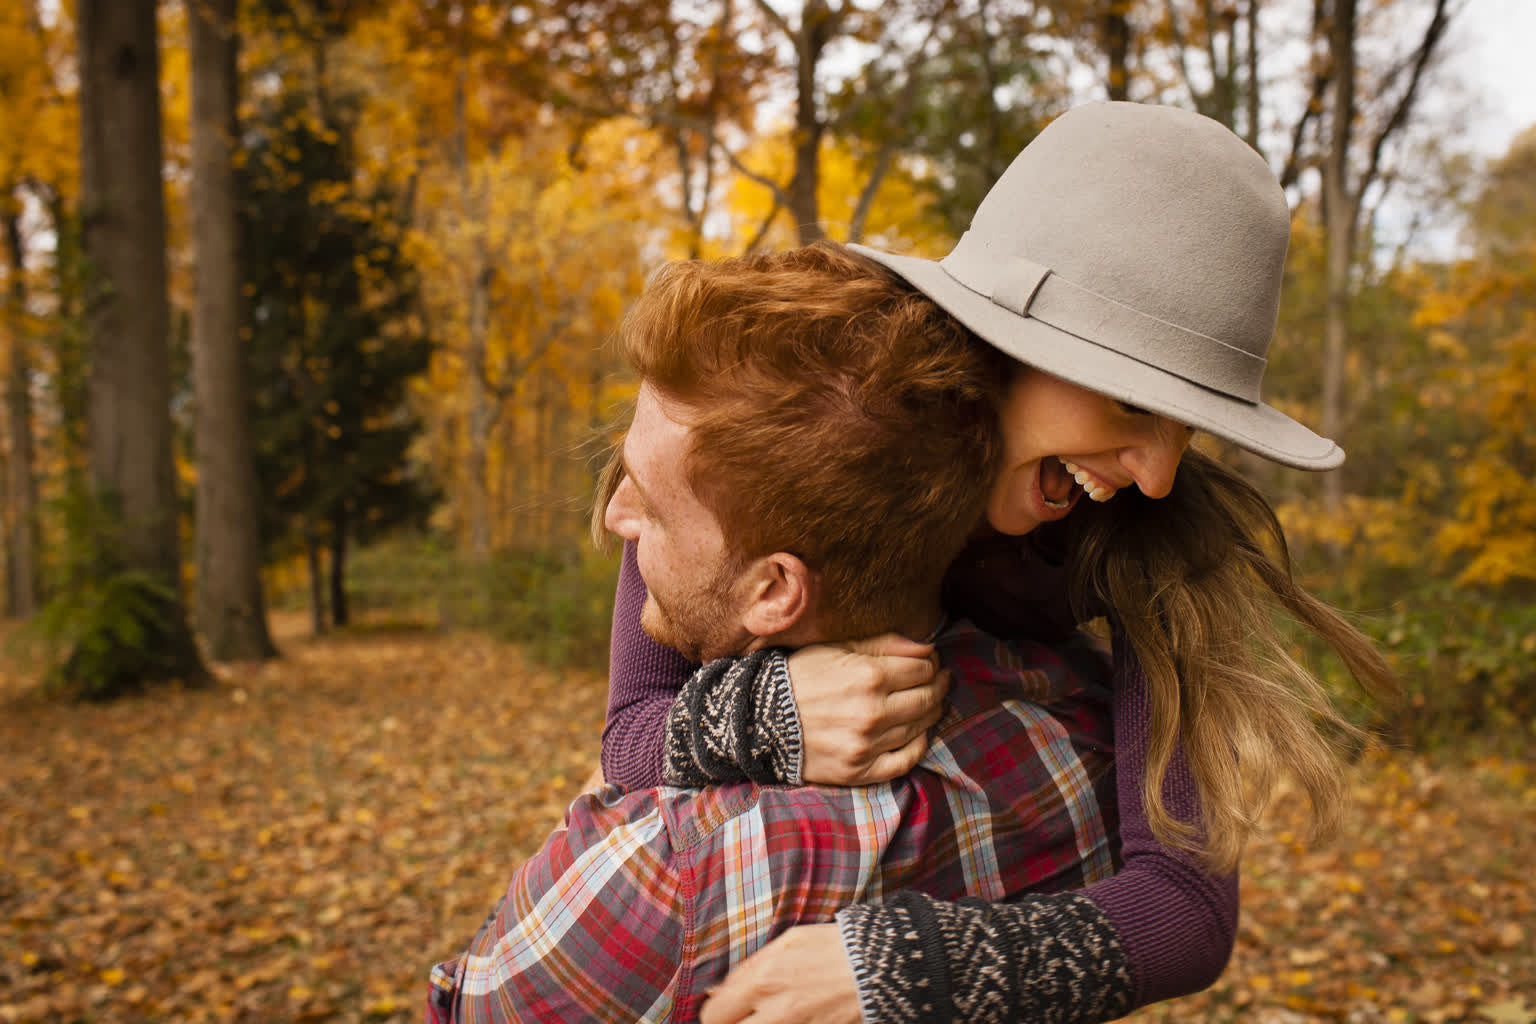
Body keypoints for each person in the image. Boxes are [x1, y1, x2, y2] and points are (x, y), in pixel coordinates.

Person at [598, 102, 1396, 1024]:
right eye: (1135, 408)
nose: (1159, 472)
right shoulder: (791, 434)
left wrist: (913, 968)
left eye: (1190, 426)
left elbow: (1186, 906)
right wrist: (772, 713)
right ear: (1008, 347)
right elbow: (626, 738)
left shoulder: (1153, 545)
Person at [426, 242, 1130, 1023]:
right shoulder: (1088, 737)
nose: (615, 517)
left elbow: (474, 1004)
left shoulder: (673, 875)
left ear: (775, 591)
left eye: (651, 507)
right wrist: (758, 709)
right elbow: (630, 728)